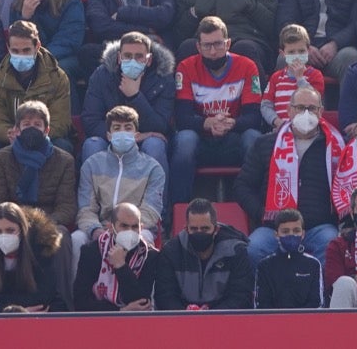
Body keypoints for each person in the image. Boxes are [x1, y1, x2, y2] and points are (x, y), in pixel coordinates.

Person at [239, 86, 346, 267]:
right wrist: (262, 213)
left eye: (312, 108)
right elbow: (242, 186)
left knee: (332, 246)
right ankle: (262, 295)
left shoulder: (336, 146)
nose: (306, 113)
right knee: (254, 248)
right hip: (274, 228)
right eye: (300, 107)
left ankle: (321, 295)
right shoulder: (265, 144)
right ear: (289, 111)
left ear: (321, 112)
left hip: (318, 227)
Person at [170, 16, 266, 204]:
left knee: (254, 138)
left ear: (228, 43)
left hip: (233, 135)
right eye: (206, 46)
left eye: (218, 44)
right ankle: (177, 210)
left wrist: (231, 123)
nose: (213, 51)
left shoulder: (247, 66)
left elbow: (254, 117)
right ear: (198, 47)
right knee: (184, 140)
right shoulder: (186, 67)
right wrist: (208, 123)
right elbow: (182, 118)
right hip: (201, 137)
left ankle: (258, 209)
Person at [0, 20, 73, 195]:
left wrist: (34, 135)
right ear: (8, 48)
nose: (20, 55)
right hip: (12, 135)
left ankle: (61, 203)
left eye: (26, 50)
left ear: (37, 46)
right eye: (15, 51)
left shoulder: (58, 77)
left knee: (63, 146)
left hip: (45, 135)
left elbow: (61, 121)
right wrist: (9, 133)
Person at [81, 32, 175, 173]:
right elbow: (91, 121)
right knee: (92, 145)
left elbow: (161, 126)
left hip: (146, 140)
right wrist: (125, 136)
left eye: (139, 57)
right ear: (119, 58)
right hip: (110, 137)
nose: (133, 61)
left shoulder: (163, 78)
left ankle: (159, 196)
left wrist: (135, 96)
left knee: (155, 145)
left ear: (148, 60)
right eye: (127, 56)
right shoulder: (102, 75)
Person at [75, 107, 166, 249]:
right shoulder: (91, 165)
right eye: (117, 128)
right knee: (77, 238)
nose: (122, 132)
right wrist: (95, 229)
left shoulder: (153, 169)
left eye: (128, 128)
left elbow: (151, 210)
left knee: (145, 239)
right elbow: (85, 208)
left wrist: (125, 229)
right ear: (109, 135)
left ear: (136, 135)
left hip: (137, 228)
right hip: (101, 226)